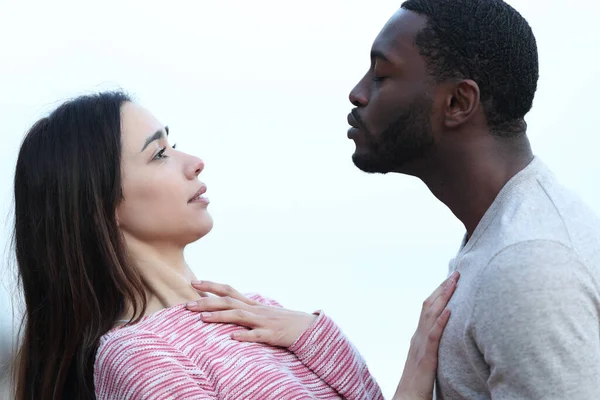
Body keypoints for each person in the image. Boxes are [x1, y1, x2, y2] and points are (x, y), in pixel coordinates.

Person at [13, 91, 458, 400]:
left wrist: (316, 336)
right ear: (101, 202)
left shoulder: (257, 309)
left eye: (175, 144)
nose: (193, 162)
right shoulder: (136, 356)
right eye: (159, 154)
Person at [347, 0, 600, 398]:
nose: (358, 93)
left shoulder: (528, 263)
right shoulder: (501, 236)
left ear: (458, 103)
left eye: (381, 75)